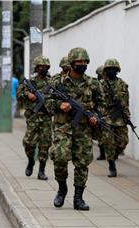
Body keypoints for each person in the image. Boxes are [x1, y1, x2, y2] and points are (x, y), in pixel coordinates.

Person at [46, 47, 105, 211]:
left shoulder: (93, 84)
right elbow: (46, 103)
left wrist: (96, 117)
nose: (82, 64)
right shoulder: (58, 82)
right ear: (71, 63)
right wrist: (59, 104)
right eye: (79, 62)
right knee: (59, 156)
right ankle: (62, 188)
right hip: (62, 127)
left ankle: (78, 198)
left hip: (83, 129)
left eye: (85, 62)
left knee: (82, 162)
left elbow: (101, 107)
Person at [17, 56, 52, 181]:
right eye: (41, 67)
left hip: (46, 118)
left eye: (45, 67)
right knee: (28, 142)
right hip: (33, 117)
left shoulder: (52, 83)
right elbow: (19, 95)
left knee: (45, 144)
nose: (43, 69)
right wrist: (28, 94)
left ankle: (41, 171)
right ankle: (31, 161)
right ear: (37, 68)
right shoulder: (30, 83)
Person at [99, 59, 130, 177]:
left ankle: (114, 156)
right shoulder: (101, 84)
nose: (111, 71)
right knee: (109, 143)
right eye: (109, 69)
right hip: (107, 117)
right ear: (105, 71)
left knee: (123, 142)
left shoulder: (122, 84)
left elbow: (126, 101)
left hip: (120, 118)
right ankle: (111, 165)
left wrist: (127, 114)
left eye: (114, 69)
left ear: (117, 71)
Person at [95, 65, 106, 161]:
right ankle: (103, 153)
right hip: (99, 113)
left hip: (108, 113)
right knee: (101, 135)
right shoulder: (96, 84)